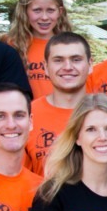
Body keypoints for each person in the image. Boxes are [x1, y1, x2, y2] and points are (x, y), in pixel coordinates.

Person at [25, 32, 95, 170]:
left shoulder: (105, 113)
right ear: (45, 67)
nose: (68, 67)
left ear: (90, 64)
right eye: (58, 60)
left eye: (76, 59)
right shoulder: (27, 115)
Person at [5, 0, 71, 98]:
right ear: (25, 11)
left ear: (60, 11)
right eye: (37, 10)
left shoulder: (70, 46)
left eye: (50, 10)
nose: (44, 17)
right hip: (26, 114)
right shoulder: (13, 45)